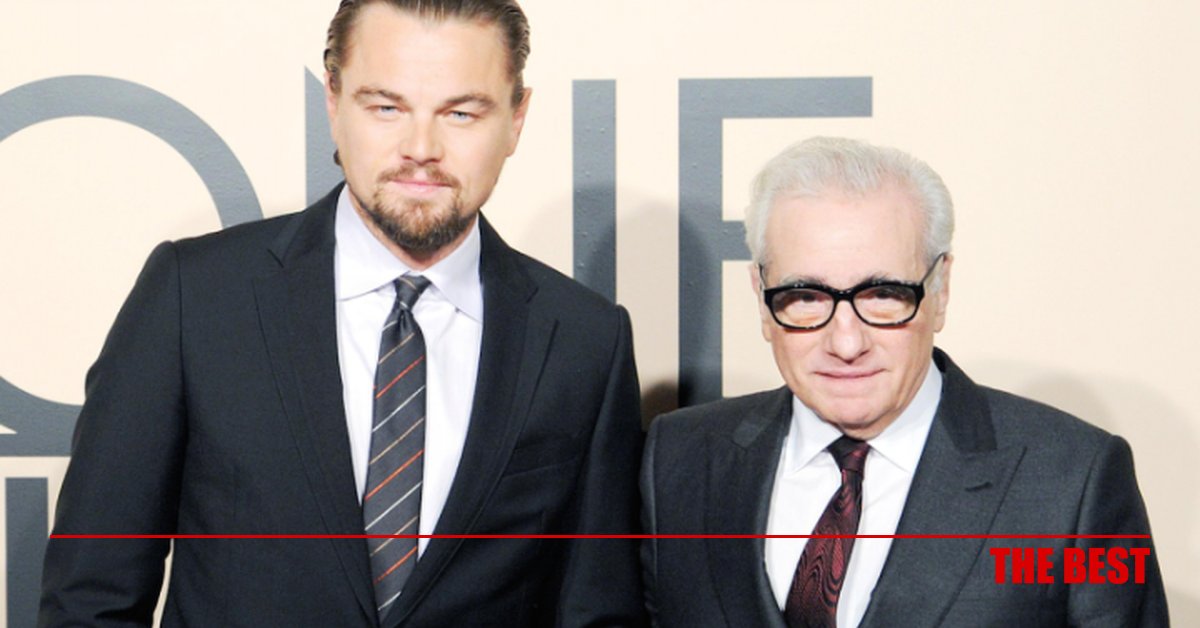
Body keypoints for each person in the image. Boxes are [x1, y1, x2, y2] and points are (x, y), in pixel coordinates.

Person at [39, 1, 647, 626]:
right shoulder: (194, 298)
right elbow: (90, 597)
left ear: (516, 119)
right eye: (386, 107)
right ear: (333, 102)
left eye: (461, 113)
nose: (421, 149)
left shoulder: (584, 341)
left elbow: (598, 610)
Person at [640, 136, 1169, 628]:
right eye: (806, 298)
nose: (847, 343)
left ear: (940, 289)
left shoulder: (1071, 482)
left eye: (884, 295)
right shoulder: (678, 460)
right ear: (761, 299)